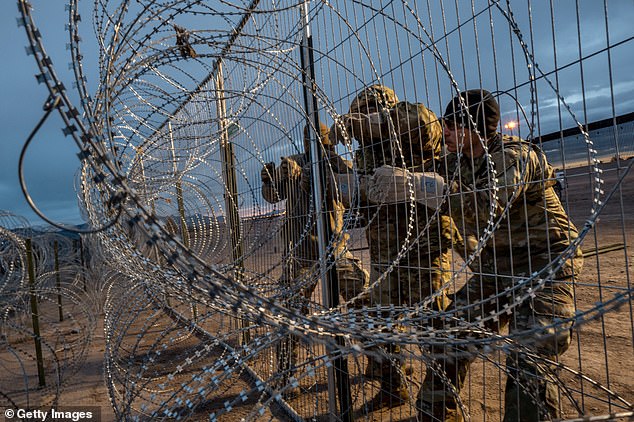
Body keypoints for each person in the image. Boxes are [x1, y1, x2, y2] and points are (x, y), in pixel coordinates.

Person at [416, 89, 583, 421]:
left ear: (472, 127)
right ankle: (435, 415)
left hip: (545, 265)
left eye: (450, 124)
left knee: (529, 355)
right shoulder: (458, 161)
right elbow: (418, 173)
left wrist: (427, 188)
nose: (444, 131)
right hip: (498, 270)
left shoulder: (514, 156)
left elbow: (486, 205)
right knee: (448, 339)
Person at [332, 85, 460, 408]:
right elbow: (363, 198)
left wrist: (364, 123)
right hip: (385, 253)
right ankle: (394, 388)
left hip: (423, 249)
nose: (358, 130)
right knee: (381, 324)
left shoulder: (412, 123)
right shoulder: (367, 152)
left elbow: (422, 122)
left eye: (364, 115)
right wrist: (358, 190)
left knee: (435, 329)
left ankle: (440, 408)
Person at [261, 123, 369, 396]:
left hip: (334, 250)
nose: (318, 145)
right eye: (312, 140)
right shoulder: (292, 163)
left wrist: (306, 176)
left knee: (363, 301)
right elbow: (274, 195)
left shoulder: (339, 166)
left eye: (322, 140)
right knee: (289, 314)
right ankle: (286, 377)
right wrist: (269, 181)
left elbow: (346, 192)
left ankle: (381, 365)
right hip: (301, 255)